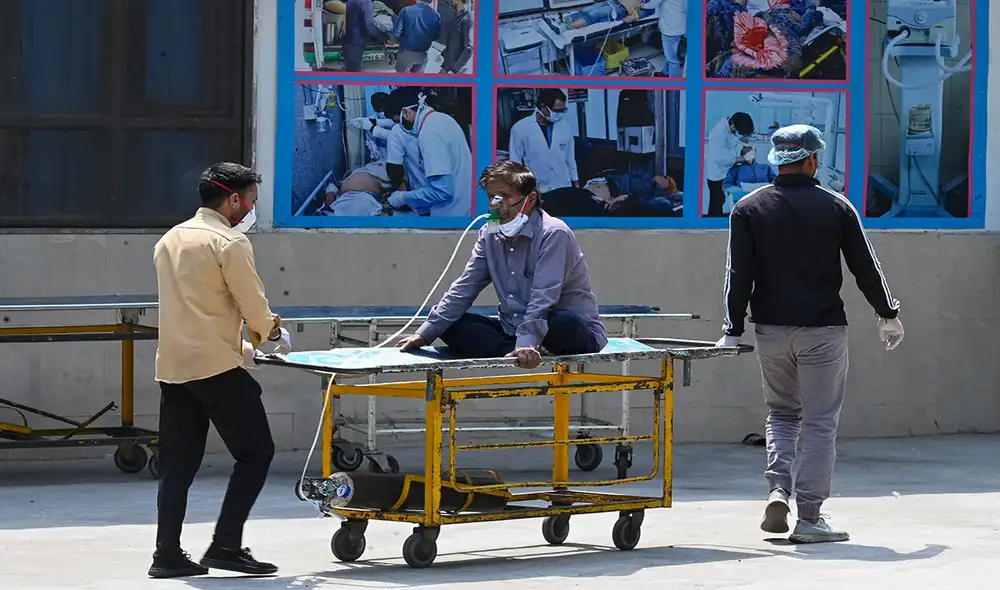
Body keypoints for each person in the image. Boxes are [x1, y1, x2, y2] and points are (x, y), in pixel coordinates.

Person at [716, 125, 904, 544]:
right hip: (823, 332)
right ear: (813, 160)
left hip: (770, 332)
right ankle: (811, 517)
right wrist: (887, 313)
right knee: (819, 423)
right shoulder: (836, 206)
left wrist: (732, 329)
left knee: (781, 414)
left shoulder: (747, 208)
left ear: (775, 162)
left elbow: (737, 274)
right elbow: (865, 267)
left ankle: (778, 489)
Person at [149, 163, 293, 578]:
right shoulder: (229, 242)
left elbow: (194, 307)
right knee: (256, 452)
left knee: (177, 467)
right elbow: (251, 302)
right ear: (234, 199)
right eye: (249, 202)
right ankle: (225, 546)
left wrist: (242, 345)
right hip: (216, 368)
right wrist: (272, 332)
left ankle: (167, 555)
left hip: (175, 368)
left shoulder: (169, 240)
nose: (249, 210)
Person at [397, 161, 608, 368]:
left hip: (563, 329)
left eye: (505, 196)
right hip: (513, 330)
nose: (496, 204)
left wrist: (528, 341)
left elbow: (544, 296)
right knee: (452, 325)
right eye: (491, 197)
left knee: (563, 323)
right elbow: (466, 285)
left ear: (530, 199)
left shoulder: (553, 233)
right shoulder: (489, 233)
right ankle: (519, 351)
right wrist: (424, 333)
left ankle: (527, 348)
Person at [384, 87, 472, 217]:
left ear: (406, 112)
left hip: (451, 213)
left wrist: (403, 197)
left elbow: (443, 191)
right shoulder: (443, 119)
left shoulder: (429, 132)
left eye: (399, 121)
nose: (400, 126)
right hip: (466, 204)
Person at [508, 89, 579, 194]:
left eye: (563, 110)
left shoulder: (565, 127)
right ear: (543, 107)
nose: (560, 114)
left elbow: (570, 159)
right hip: (537, 189)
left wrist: (576, 184)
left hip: (563, 186)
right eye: (556, 110)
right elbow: (515, 162)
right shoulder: (520, 128)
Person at [704, 111, 754, 217]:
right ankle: (713, 226)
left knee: (722, 199)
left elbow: (732, 139)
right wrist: (743, 158)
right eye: (739, 132)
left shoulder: (730, 124)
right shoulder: (718, 134)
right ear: (732, 125)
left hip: (727, 171)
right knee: (716, 202)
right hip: (717, 173)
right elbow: (721, 159)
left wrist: (743, 139)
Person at [390, 0, 442, 73]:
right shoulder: (435, 14)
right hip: (423, 55)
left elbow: (396, 32)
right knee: (417, 82)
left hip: (406, 53)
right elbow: (435, 36)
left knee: (401, 82)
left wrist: (393, 41)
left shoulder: (406, 11)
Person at [641, 0, 686, 77]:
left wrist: (641, 5)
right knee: (671, 53)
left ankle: (674, 87)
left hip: (670, 29)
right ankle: (666, 72)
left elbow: (652, 4)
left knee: (672, 59)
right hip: (679, 25)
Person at [440, 0, 473, 74]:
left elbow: (469, 49)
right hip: (447, 65)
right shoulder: (458, 15)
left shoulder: (468, 19)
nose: (451, 1)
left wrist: (455, 68)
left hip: (456, 70)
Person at [344, 0, 377, 72]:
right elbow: (369, 25)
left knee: (351, 72)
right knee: (355, 75)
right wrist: (382, 37)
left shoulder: (351, 1)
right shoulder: (366, 2)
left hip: (350, 40)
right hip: (358, 41)